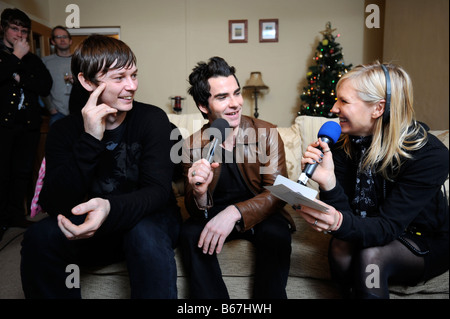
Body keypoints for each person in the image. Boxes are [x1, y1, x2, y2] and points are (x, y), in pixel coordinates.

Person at [20, 35, 181, 298]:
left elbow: (158, 191)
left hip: (148, 220)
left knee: (143, 234)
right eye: (119, 78)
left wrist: (109, 207)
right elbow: (55, 202)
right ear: (86, 81)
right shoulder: (64, 131)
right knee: (40, 236)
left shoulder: (152, 119)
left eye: (134, 75)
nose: (131, 86)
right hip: (94, 228)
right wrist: (91, 139)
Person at [296, 61, 449, 298]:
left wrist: (337, 222)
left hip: (423, 239)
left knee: (371, 259)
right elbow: (349, 219)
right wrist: (328, 182)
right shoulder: (340, 147)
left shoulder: (430, 156)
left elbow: (387, 227)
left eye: (344, 101)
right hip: (370, 229)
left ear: (378, 108)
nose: (334, 109)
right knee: (340, 247)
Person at [179, 56, 294, 299]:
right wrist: (199, 193)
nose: (235, 104)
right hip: (215, 211)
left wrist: (234, 212)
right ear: (203, 105)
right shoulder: (191, 146)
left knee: (276, 233)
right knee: (190, 234)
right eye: (222, 97)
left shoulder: (266, 133)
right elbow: (193, 207)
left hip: (261, 209)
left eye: (236, 93)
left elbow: (277, 192)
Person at [0, 8, 52, 241]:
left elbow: (44, 85)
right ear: (4, 27)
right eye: (14, 28)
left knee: (22, 171)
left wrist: (22, 76)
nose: (19, 34)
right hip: (3, 125)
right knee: (2, 172)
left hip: (28, 124)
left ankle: (16, 215)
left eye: (23, 30)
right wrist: (16, 58)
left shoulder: (34, 59)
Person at [42, 25, 73, 126]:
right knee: (56, 141)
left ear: (70, 41)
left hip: (77, 112)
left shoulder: (79, 60)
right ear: (53, 41)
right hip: (57, 113)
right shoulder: (46, 61)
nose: (62, 39)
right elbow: (41, 87)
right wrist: (51, 108)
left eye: (65, 37)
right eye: (58, 37)